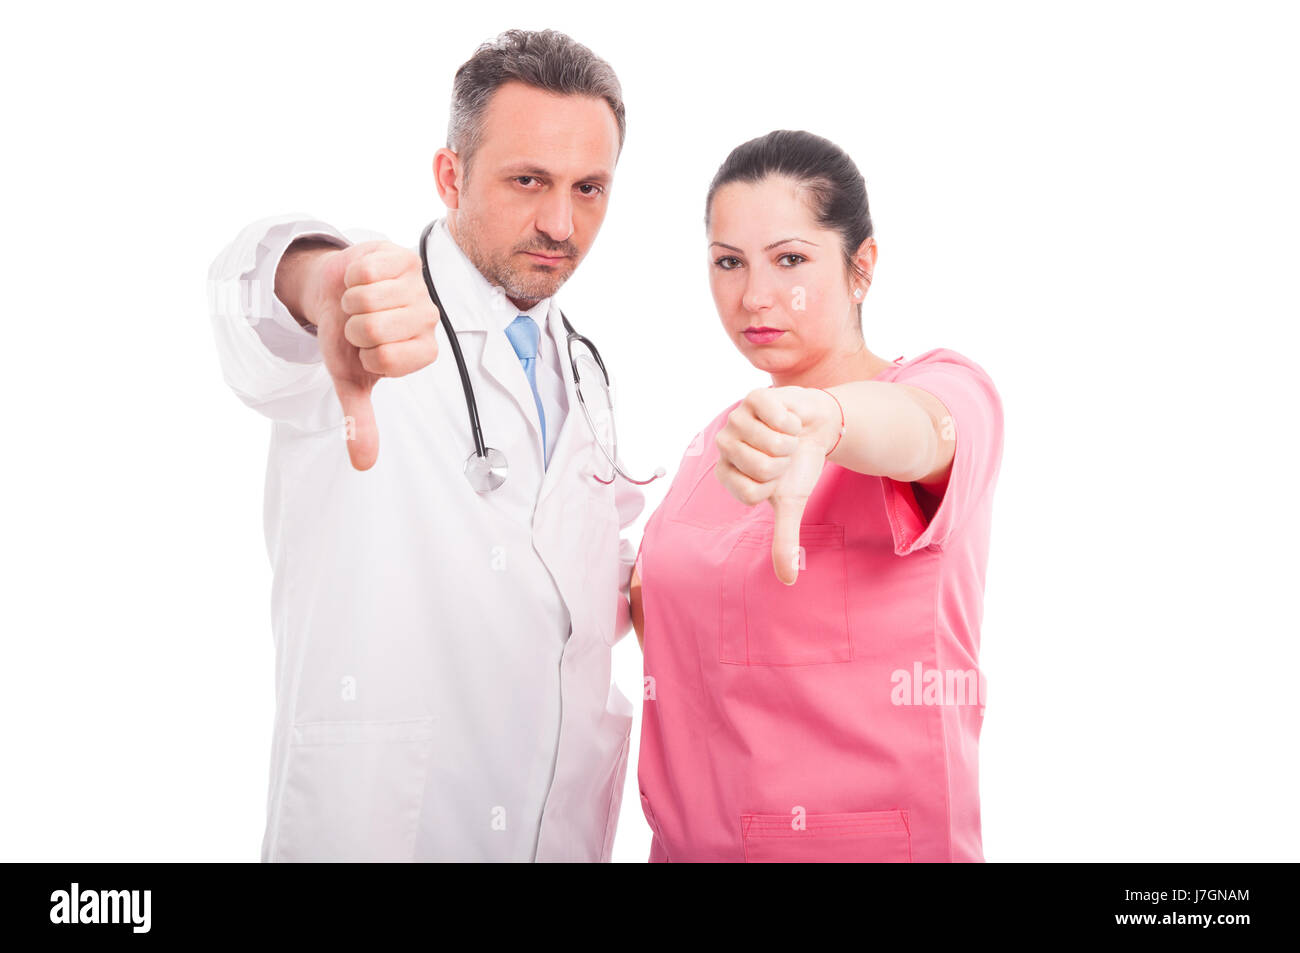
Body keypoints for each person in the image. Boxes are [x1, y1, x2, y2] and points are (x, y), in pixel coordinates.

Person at [205, 29, 645, 862]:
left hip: (559, 831)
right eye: (528, 181)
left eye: (590, 188)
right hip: (385, 827)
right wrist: (317, 281)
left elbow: (574, 583)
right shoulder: (377, 309)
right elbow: (250, 296)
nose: (561, 222)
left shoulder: (582, 368)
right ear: (451, 176)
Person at [630, 130, 1005, 862]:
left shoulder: (943, 388)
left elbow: (925, 433)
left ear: (861, 266)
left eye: (791, 259)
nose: (754, 296)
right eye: (728, 263)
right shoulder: (721, 442)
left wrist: (830, 417)